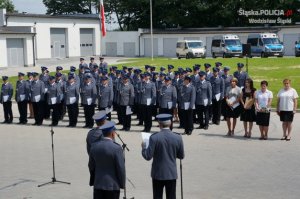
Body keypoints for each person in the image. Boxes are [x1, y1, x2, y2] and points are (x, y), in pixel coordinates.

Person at [142, 114, 184, 199]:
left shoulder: (154, 137)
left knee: (157, 196)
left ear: (159, 124)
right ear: (170, 124)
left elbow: (147, 156)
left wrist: (143, 148)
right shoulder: (178, 137)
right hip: (171, 173)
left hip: (158, 173)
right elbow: (181, 156)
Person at [89, 121, 125, 199]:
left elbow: (91, 166)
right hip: (112, 186)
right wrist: (122, 184)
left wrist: (94, 179)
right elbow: (120, 168)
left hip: (98, 184)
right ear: (113, 133)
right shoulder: (117, 148)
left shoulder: (94, 146)